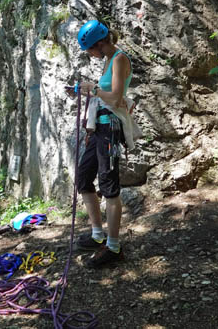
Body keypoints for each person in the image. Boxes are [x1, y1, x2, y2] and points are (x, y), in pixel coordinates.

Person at [73, 19, 132, 268]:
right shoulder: (108, 61)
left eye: (89, 49)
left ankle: (114, 246)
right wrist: (85, 91)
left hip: (110, 127)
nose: (89, 54)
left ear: (99, 43)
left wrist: (93, 90)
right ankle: (98, 234)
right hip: (99, 127)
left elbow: (117, 97)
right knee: (83, 178)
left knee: (109, 184)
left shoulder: (120, 59)